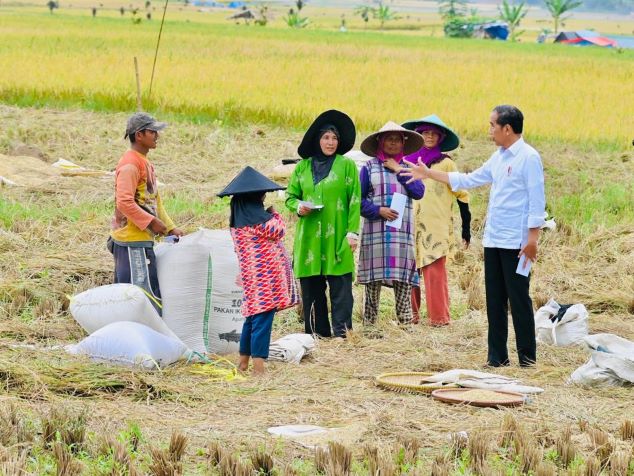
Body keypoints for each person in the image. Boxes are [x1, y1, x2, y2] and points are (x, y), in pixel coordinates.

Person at [401, 105, 546, 367]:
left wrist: (532, 239)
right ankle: (497, 357)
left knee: (519, 300)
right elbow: (468, 179)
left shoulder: (528, 157)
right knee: (495, 300)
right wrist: (428, 173)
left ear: (507, 129)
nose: (489, 130)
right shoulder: (499, 157)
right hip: (493, 240)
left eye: (492, 125)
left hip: (517, 242)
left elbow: (537, 202)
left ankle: (527, 359)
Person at [285, 110, 361, 338]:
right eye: (326, 137)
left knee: (341, 287)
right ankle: (317, 334)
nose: (330, 142)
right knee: (311, 288)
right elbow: (290, 197)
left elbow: (355, 200)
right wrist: (299, 207)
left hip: (337, 235)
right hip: (309, 237)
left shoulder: (346, 165)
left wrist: (352, 233)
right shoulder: (302, 167)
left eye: (334, 138)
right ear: (317, 140)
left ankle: (342, 333)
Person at [218, 166, 299, 375]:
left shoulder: (238, 226)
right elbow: (279, 229)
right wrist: (274, 213)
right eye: (261, 198)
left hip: (251, 280)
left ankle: (243, 362)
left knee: (251, 320)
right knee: (262, 321)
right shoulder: (261, 224)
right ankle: (259, 367)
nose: (263, 200)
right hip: (265, 281)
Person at [109, 112, 183, 315]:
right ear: (139, 135)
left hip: (142, 239)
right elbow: (124, 201)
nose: (157, 135)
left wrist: (169, 227)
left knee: (146, 295)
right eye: (153, 131)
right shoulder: (130, 164)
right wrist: (151, 222)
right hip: (132, 242)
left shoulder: (144, 162)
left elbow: (154, 201)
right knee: (141, 299)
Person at [401, 114, 471, 326]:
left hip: (436, 226)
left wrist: (466, 229)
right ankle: (409, 316)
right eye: (424, 133)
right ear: (418, 135)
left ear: (440, 137)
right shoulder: (407, 162)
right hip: (410, 224)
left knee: (434, 273)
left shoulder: (446, 164)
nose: (429, 136)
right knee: (408, 272)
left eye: (433, 133)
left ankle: (439, 319)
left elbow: (462, 195)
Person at [357, 122, 425, 326]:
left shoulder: (407, 168)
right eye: (389, 139)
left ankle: (405, 321)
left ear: (403, 142)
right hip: (375, 232)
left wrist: (397, 169)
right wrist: (378, 211)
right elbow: (357, 201)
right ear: (381, 141)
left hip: (401, 235)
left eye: (398, 139)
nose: (393, 143)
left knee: (403, 279)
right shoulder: (368, 168)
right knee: (373, 280)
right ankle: (370, 324)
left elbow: (419, 192)